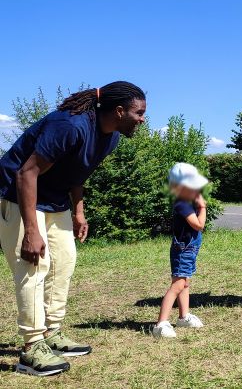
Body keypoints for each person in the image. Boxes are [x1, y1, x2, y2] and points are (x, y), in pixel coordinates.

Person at [0, 82, 146, 376]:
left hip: (55, 199)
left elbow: (78, 174)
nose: (142, 119)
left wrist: (78, 212)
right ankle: (31, 347)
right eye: (139, 113)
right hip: (18, 194)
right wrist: (31, 231)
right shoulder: (71, 125)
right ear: (119, 111)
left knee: (64, 261)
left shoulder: (110, 137)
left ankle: (52, 332)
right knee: (34, 265)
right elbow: (26, 173)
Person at [152, 163, 209, 338]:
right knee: (177, 285)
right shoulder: (182, 205)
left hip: (189, 250)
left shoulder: (187, 202)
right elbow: (198, 225)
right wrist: (202, 207)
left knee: (185, 283)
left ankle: (183, 317)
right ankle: (161, 324)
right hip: (183, 250)